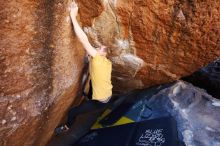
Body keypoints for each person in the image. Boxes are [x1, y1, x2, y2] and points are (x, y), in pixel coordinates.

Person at [55, 1, 113, 134]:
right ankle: (90, 95)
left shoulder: (98, 60)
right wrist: (91, 59)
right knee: (92, 86)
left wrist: (73, 17)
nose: (96, 49)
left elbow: (83, 40)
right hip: (107, 93)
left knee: (73, 111)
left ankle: (67, 127)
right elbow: (94, 60)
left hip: (101, 101)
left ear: (102, 54)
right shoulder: (107, 63)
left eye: (99, 49)